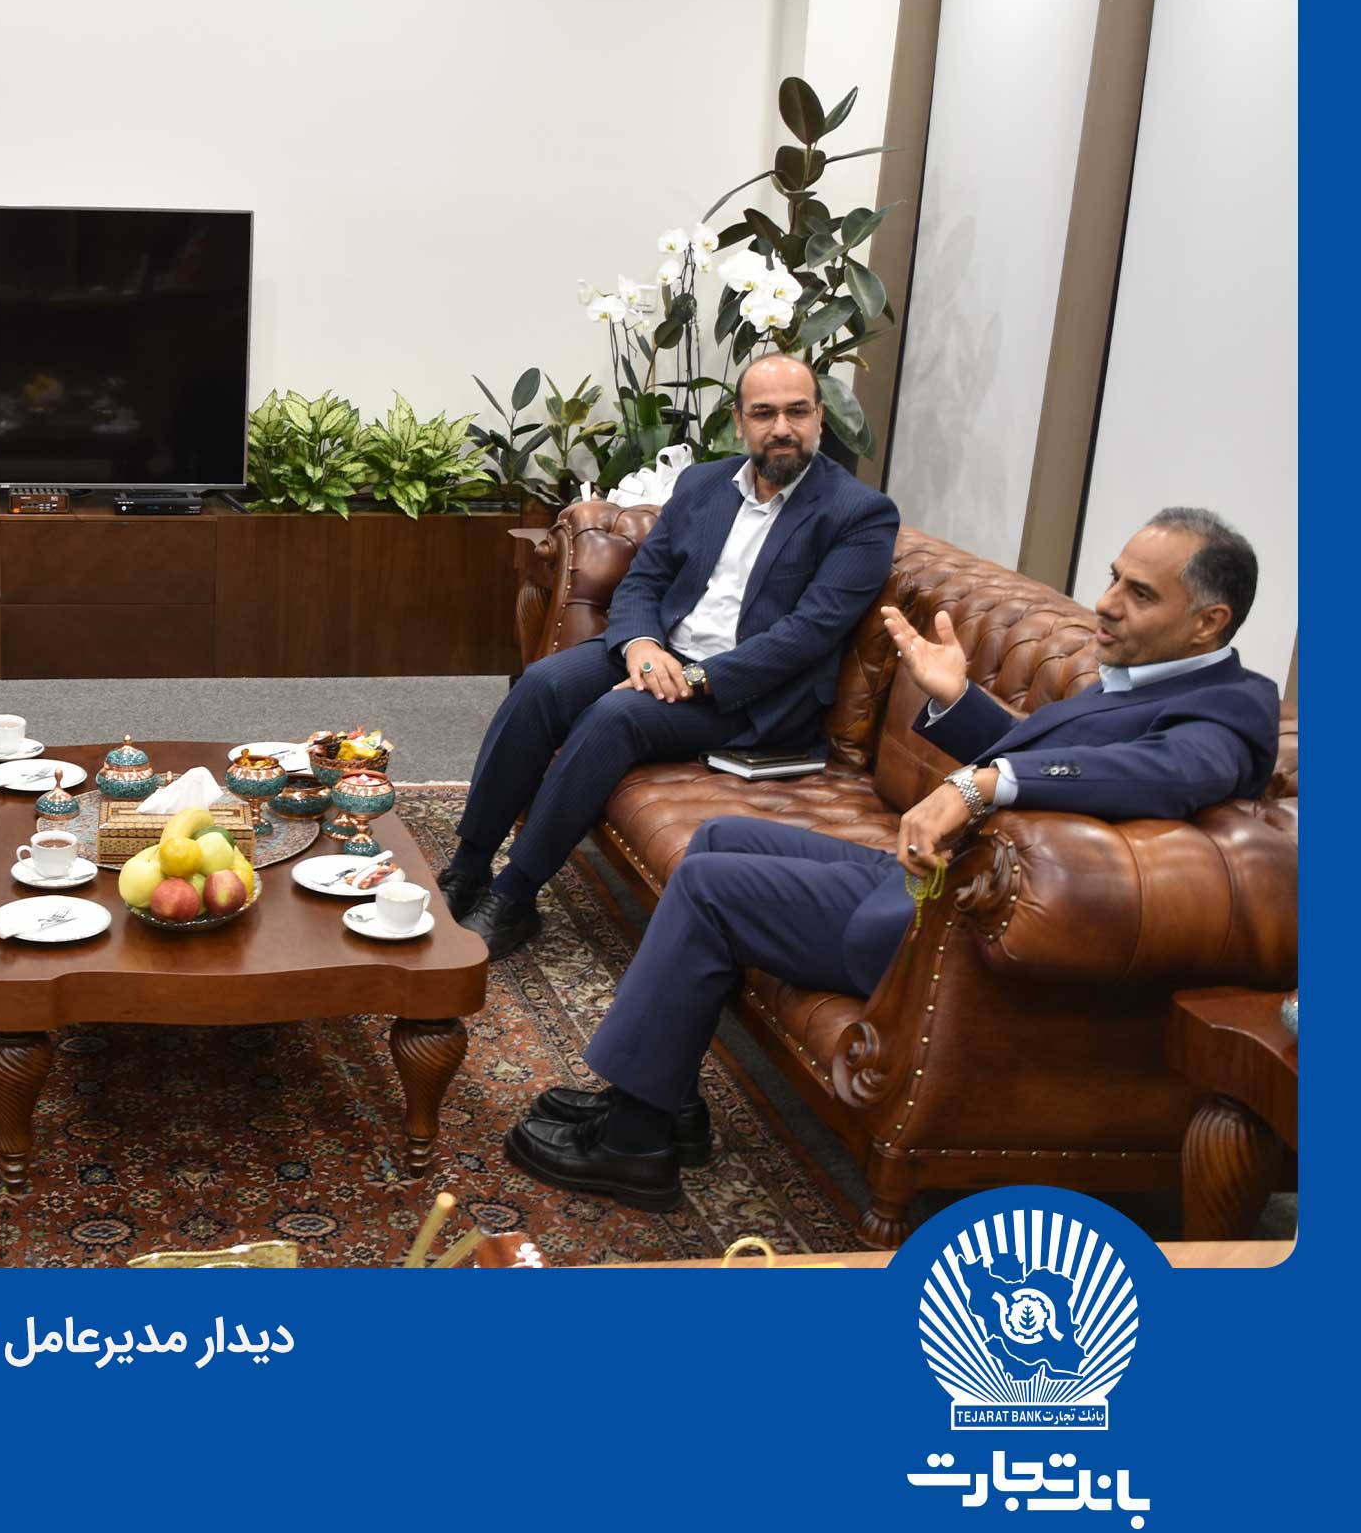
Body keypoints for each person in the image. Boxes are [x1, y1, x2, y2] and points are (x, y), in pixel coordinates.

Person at [504, 508, 1280, 1210]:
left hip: (952, 933)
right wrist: (957, 700)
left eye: (1139, 593)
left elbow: (1158, 776)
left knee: (712, 887)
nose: (1106, 602)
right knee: (719, 838)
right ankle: (664, 1094)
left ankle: (634, 1143)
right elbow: (1055, 767)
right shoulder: (1145, 679)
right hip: (945, 884)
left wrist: (979, 784)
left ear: (1208, 622)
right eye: (1112, 578)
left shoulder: (1228, 714)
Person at [444, 354, 900, 960]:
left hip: (749, 696)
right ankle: (469, 866)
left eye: (797, 412)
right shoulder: (704, 484)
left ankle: (515, 896)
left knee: (614, 717)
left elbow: (808, 633)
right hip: (663, 652)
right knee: (543, 684)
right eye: (764, 413)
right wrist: (642, 646)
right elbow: (645, 580)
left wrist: (695, 677)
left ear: (820, 417)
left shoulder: (859, 514)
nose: (781, 428)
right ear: (739, 420)